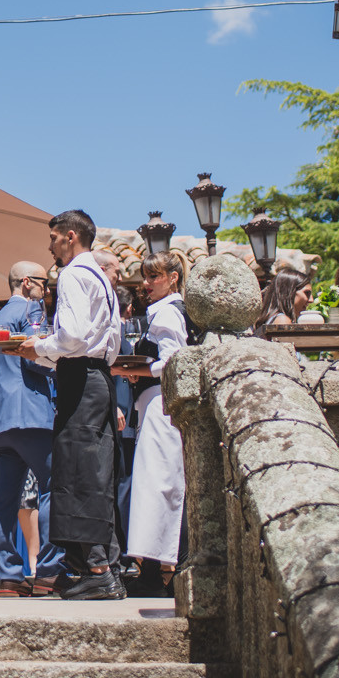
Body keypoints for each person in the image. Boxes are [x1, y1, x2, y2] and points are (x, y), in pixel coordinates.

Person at [14, 210, 126, 601]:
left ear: (70, 236)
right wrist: (48, 352)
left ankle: (97, 570)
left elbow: (73, 337)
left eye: (54, 237)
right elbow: (105, 338)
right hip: (98, 378)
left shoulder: (75, 274)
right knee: (94, 471)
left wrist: (39, 347)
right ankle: (101, 568)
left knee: (80, 471)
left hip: (81, 380)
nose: (50, 245)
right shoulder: (101, 276)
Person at [0, 261, 63, 597]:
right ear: (27, 282)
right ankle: (48, 572)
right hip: (33, 414)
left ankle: (9, 577)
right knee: (53, 487)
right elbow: (38, 357)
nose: (46, 289)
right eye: (43, 282)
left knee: (4, 499)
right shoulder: (32, 311)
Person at [121, 249, 189, 594]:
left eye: (154, 276)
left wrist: (136, 369)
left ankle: (160, 571)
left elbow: (174, 361)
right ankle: (158, 569)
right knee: (161, 486)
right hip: (156, 405)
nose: (146, 283)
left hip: (160, 407)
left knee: (158, 486)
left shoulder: (166, 313)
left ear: (172, 278)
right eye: (145, 277)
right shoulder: (169, 310)